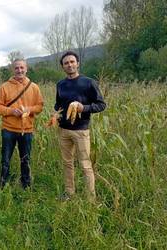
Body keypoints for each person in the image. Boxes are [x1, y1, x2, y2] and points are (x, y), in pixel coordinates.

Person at [54, 51, 106, 201]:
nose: (69, 65)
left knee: (85, 164)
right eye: (66, 63)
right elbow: (58, 104)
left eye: (72, 62)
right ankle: (69, 192)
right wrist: (56, 114)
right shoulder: (61, 84)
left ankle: (90, 199)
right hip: (63, 130)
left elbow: (101, 105)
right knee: (67, 163)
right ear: (63, 67)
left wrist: (83, 108)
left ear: (78, 63)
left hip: (81, 130)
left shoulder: (89, 83)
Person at [0, 59, 44, 189]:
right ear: (13, 70)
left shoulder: (34, 87)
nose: (19, 70)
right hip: (8, 130)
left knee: (25, 159)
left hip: (26, 130)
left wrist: (29, 110)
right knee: (5, 159)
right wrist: (11, 111)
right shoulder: (4, 87)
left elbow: (39, 107)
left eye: (22, 68)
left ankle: (26, 185)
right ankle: (2, 184)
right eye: (17, 68)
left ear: (26, 69)